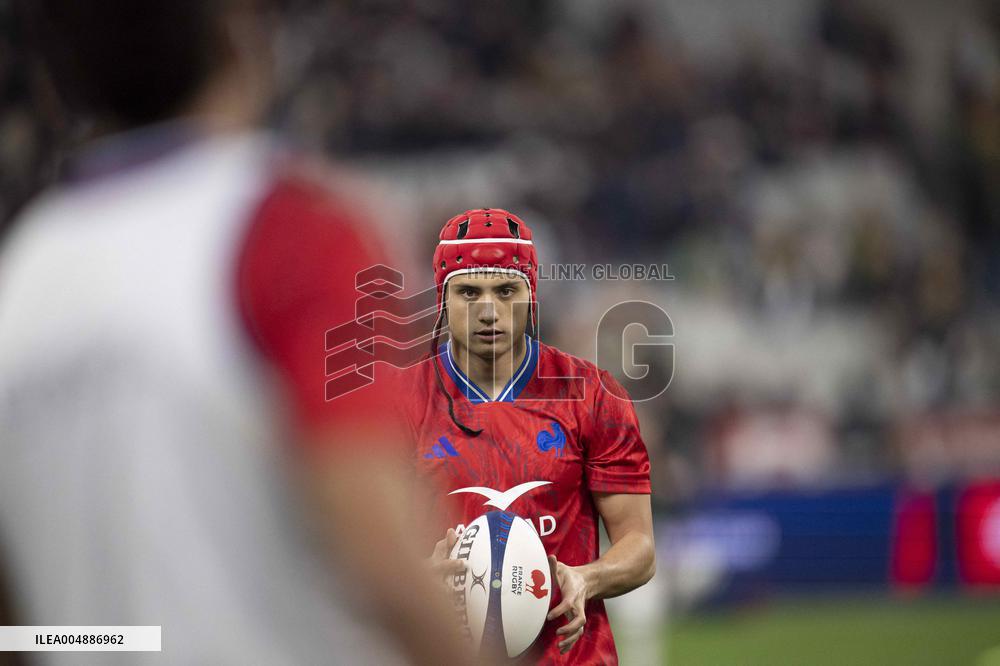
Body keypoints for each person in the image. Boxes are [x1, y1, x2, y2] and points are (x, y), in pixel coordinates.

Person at [0, 1, 471, 663]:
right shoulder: (288, 230)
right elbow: (378, 553)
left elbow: (15, 623)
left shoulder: (23, 274)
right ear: (238, 36)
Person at [399, 208, 657, 663]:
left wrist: (587, 577)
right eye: (468, 292)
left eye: (505, 291)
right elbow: (350, 546)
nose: (488, 311)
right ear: (441, 298)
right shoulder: (396, 406)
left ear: (532, 295)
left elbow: (639, 546)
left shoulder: (592, 396)